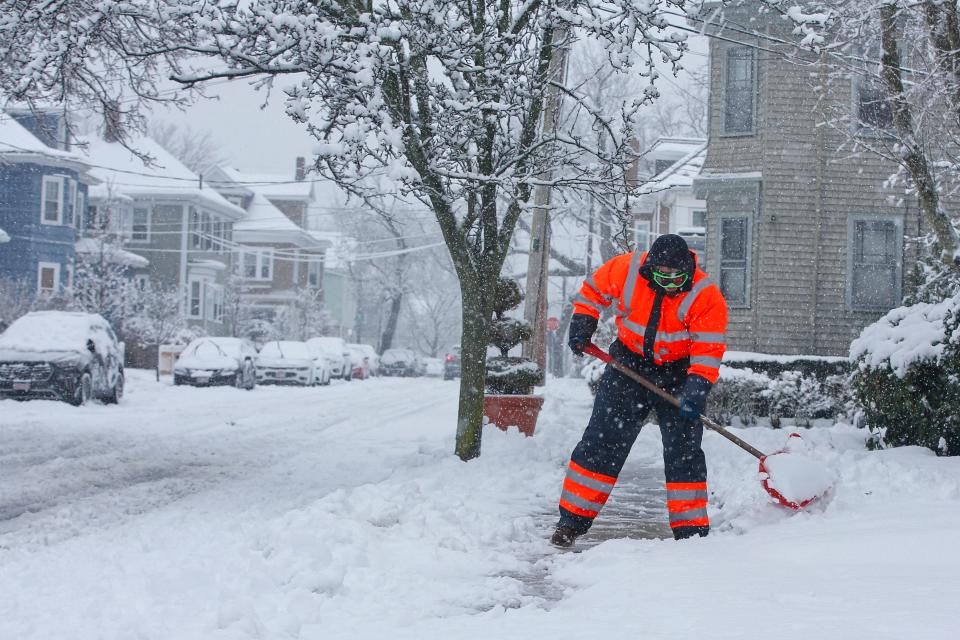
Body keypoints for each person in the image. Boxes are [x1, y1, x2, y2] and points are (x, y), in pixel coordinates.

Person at [551, 234, 728, 547]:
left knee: (684, 454)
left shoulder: (705, 294)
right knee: (601, 443)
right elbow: (592, 292)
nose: (670, 282)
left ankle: (692, 535)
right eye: (662, 276)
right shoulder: (627, 269)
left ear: (687, 270)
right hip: (627, 368)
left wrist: (697, 388)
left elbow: (708, 348)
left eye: (677, 277)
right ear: (651, 268)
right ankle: (571, 522)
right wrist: (583, 324)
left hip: (678, 374)